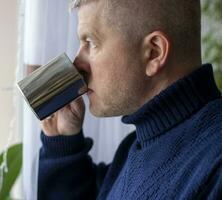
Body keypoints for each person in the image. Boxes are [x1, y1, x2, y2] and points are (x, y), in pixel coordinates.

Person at [38, 0, 222, 199]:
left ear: (154, 53)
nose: (77, 64)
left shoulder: (215, 166)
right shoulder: (132, 149)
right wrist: (64, 144)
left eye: (91, 42)